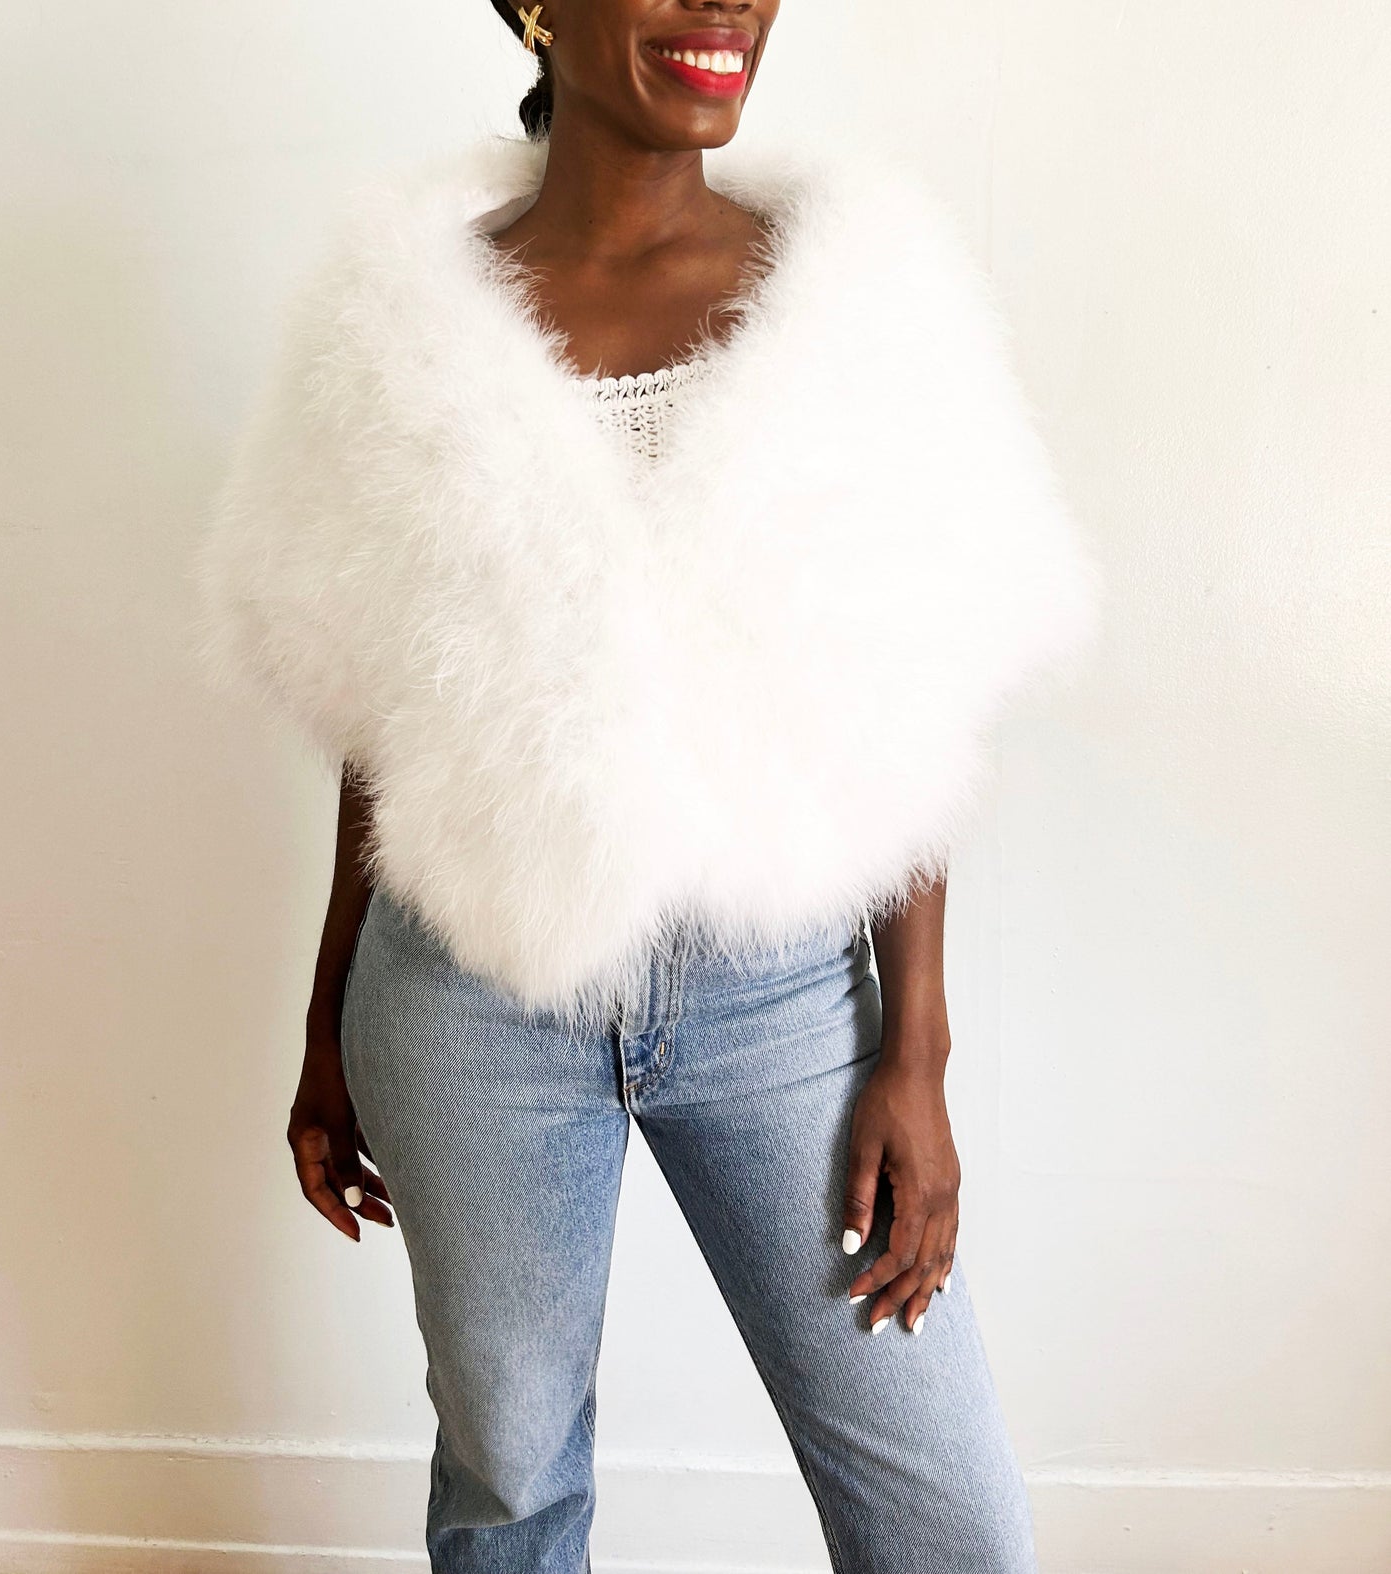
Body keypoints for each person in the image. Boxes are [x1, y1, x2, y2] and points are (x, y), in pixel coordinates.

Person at [192, 2, 1101, 1568]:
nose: (727, 3)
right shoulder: (404, 317)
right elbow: (380, 703)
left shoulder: (848, 298)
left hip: (780, 993)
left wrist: (915, 1049)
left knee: (942, 1508)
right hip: (465, 995)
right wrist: (332, 1015)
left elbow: (913, 698)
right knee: (509, 1479)